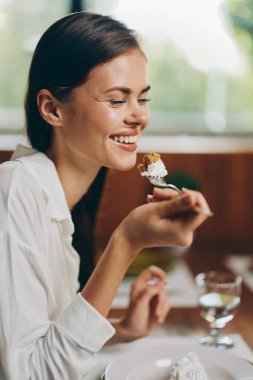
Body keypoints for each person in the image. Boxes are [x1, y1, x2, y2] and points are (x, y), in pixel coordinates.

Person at [0, 11, 211, 380]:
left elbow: (48, 344)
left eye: (142, 99)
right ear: (52, 108)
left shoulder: (61, 200)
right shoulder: (15, 191)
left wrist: (123, 329)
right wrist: (126, 242)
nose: (139, 117)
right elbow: (33, 374)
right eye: (117, 101)